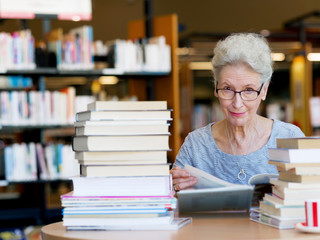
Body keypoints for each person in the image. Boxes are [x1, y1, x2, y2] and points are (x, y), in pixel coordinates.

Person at [171, 33, 305, 191]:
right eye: (227, 89)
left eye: (248, 90)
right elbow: (173, 202)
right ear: (216, 87)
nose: (237, 103)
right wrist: (173, 187)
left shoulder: (289, 138)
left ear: (264, 91)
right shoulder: (196, 145)